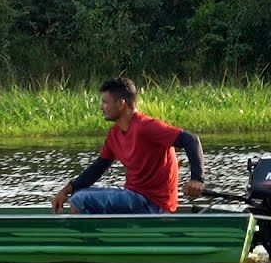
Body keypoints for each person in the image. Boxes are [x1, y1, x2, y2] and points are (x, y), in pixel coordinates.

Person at [51, 78, 205, 214]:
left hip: (154, 205)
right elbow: (96, 169)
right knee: (78, 194)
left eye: (105, 102)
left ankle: (90, 245)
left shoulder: (146, 126)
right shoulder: (114, 133)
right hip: (133, 196)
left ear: (120, 103)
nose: (101, 107)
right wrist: (65, 191)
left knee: (79, 201)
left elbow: (191, 140)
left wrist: (197, 179)